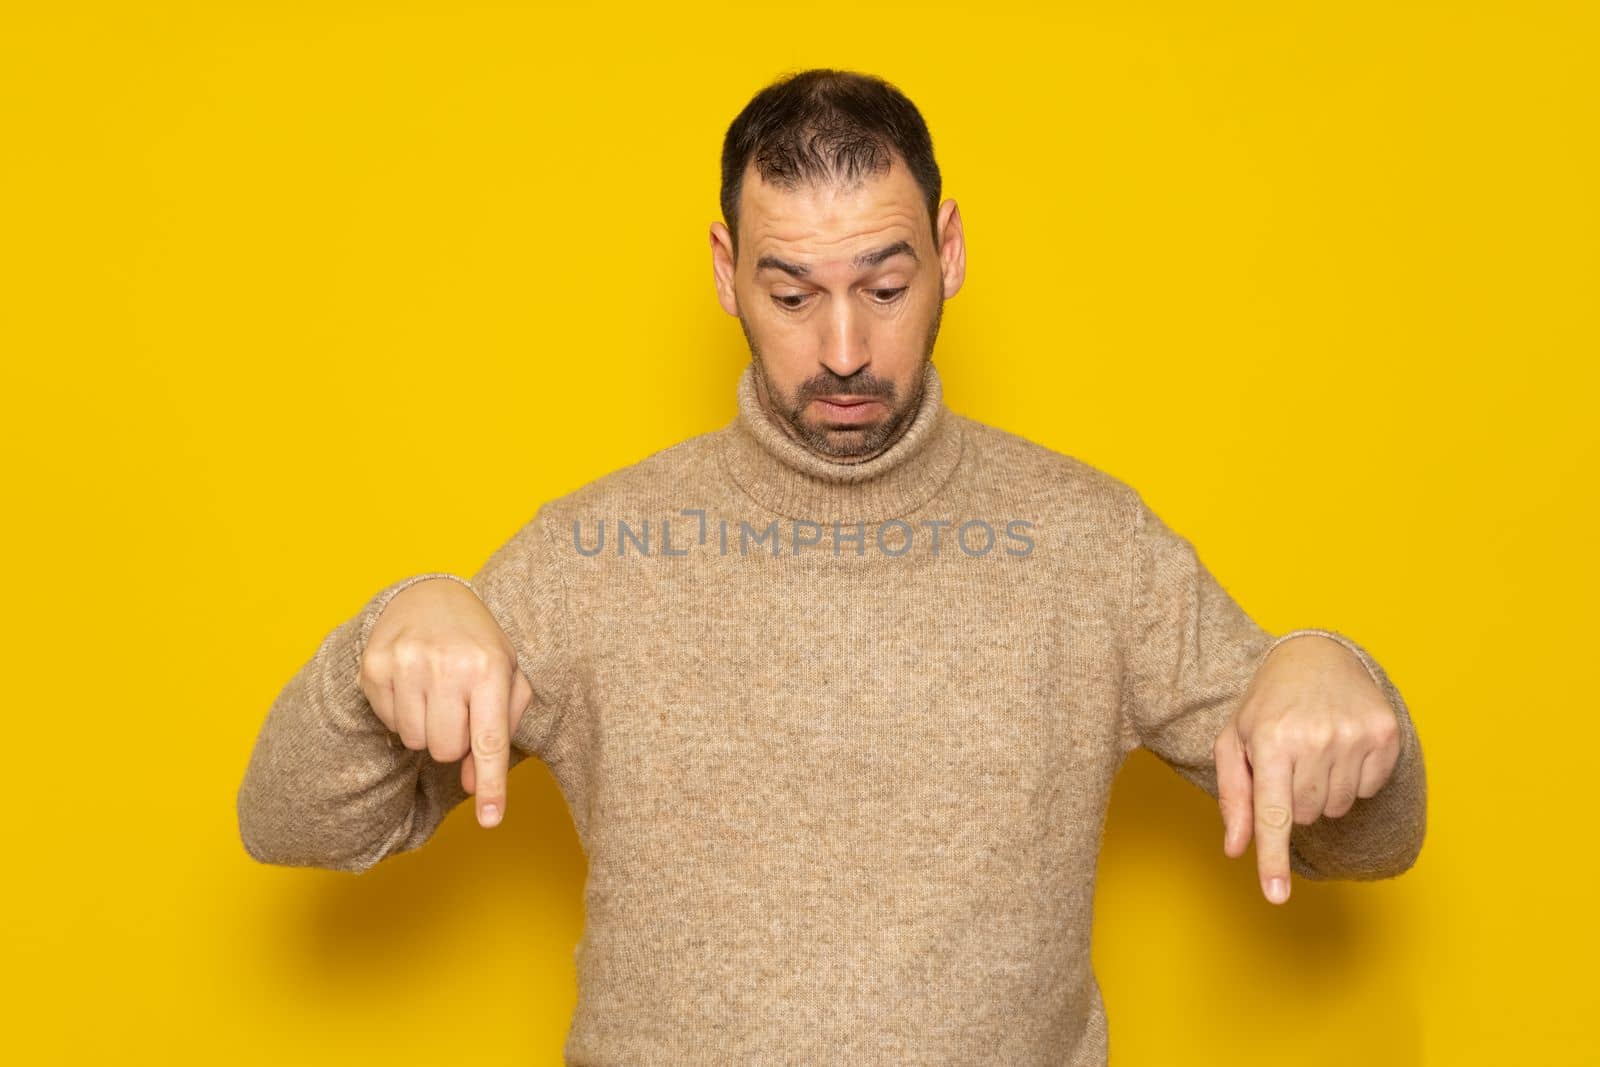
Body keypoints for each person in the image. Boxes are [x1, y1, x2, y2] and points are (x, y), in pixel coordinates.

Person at [237, 67, 1427, 1066]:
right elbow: (295, 822)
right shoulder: (592, 553)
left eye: (885, 285)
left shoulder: (1090, 544)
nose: (845, 349)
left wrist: (1328, 663)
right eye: (792, 292)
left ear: (949, 249)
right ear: (723, 272)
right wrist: (392, 625)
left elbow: (1365, 840)